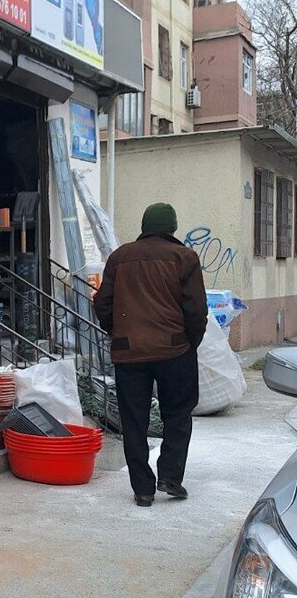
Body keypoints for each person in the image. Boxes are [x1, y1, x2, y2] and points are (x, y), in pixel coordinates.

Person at [94, 202, 208, 507]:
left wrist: (117, 332)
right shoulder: (184, 257)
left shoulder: (120, 257)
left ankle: (143, 490)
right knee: (178, 414)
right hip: (174, 349)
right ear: (172, 227)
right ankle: (170, 476)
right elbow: (196, 309)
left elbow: (102, 303)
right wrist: (189, 342)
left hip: (129, 352)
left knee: (134, 420)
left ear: (145, 227)